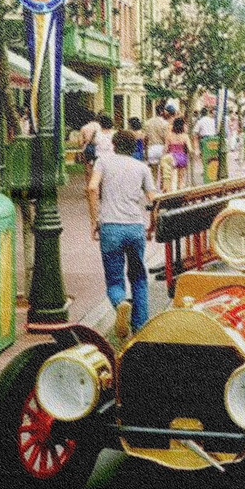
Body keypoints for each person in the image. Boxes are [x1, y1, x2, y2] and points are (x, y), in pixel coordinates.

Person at [88, 129, 157, 338]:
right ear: (134, 147)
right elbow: (153, 200)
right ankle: (140, 327)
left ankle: (120, 303)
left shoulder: (103, 162)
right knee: (139, 278)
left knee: (115, 280)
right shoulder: (142, 168)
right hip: (135, 226)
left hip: (111, 227)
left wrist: (94, 220)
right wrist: (151, 226)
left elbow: (92, 188)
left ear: (114, 145)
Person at [162, 117, 193, 192]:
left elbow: (165, 149)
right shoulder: (185, 136)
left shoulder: (169, 136)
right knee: (181, 178)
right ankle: (180, 190)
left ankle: (173, 191)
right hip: (182, 157)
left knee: (172, 177)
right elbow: (190, 149)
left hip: (172, 158)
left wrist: (163, 156)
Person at [143, 103, 171, 185]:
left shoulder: (148, 123)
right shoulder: (165, 124)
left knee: (153, 172)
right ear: (162, 112)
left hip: (151, 148)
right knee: (164, 172)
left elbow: (145, 138)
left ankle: (153, 188)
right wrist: (166, 150)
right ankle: (163, 189)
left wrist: (145, 150)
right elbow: (167, 140)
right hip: (161, 147)